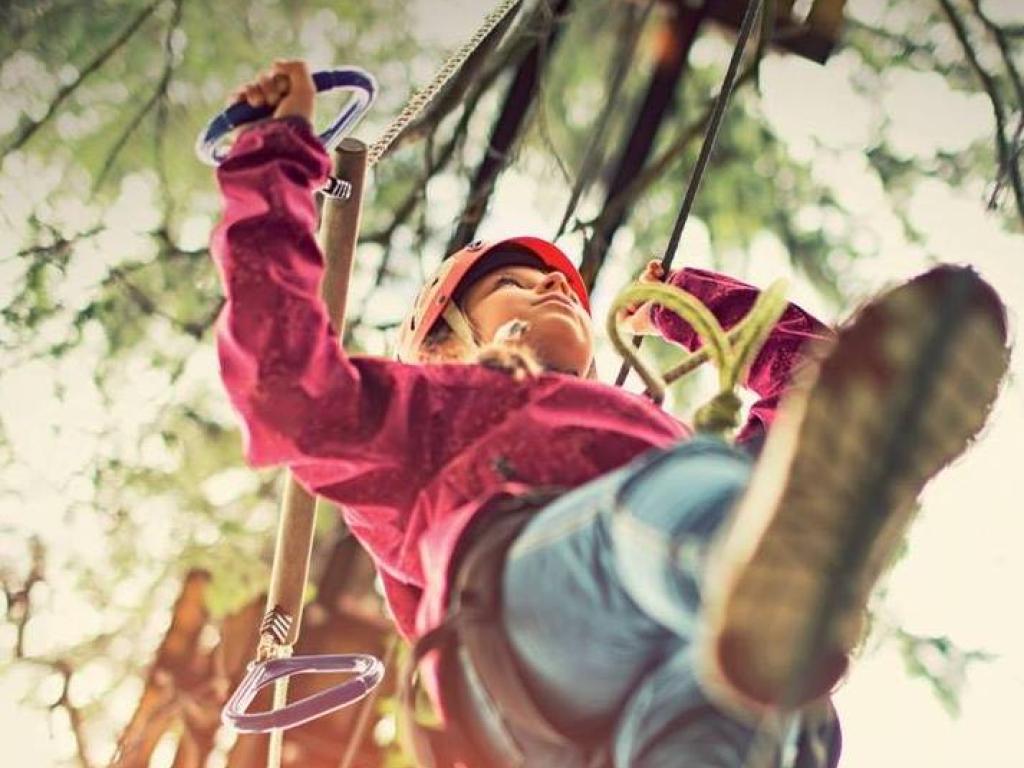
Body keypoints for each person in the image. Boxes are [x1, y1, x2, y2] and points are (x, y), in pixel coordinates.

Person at [210, 61, 1009, 767]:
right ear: (446, 343)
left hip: (677, 679)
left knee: (748, 696)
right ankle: (743, 569)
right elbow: (285, 382)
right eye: (513, 285)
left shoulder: (653, 428)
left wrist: (689, 302)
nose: (555, 286)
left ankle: (765, 613)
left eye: (558, 284)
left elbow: (814, 397)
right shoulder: (429, 412)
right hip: (523, 636)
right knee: (681, 498)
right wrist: (273, 158)